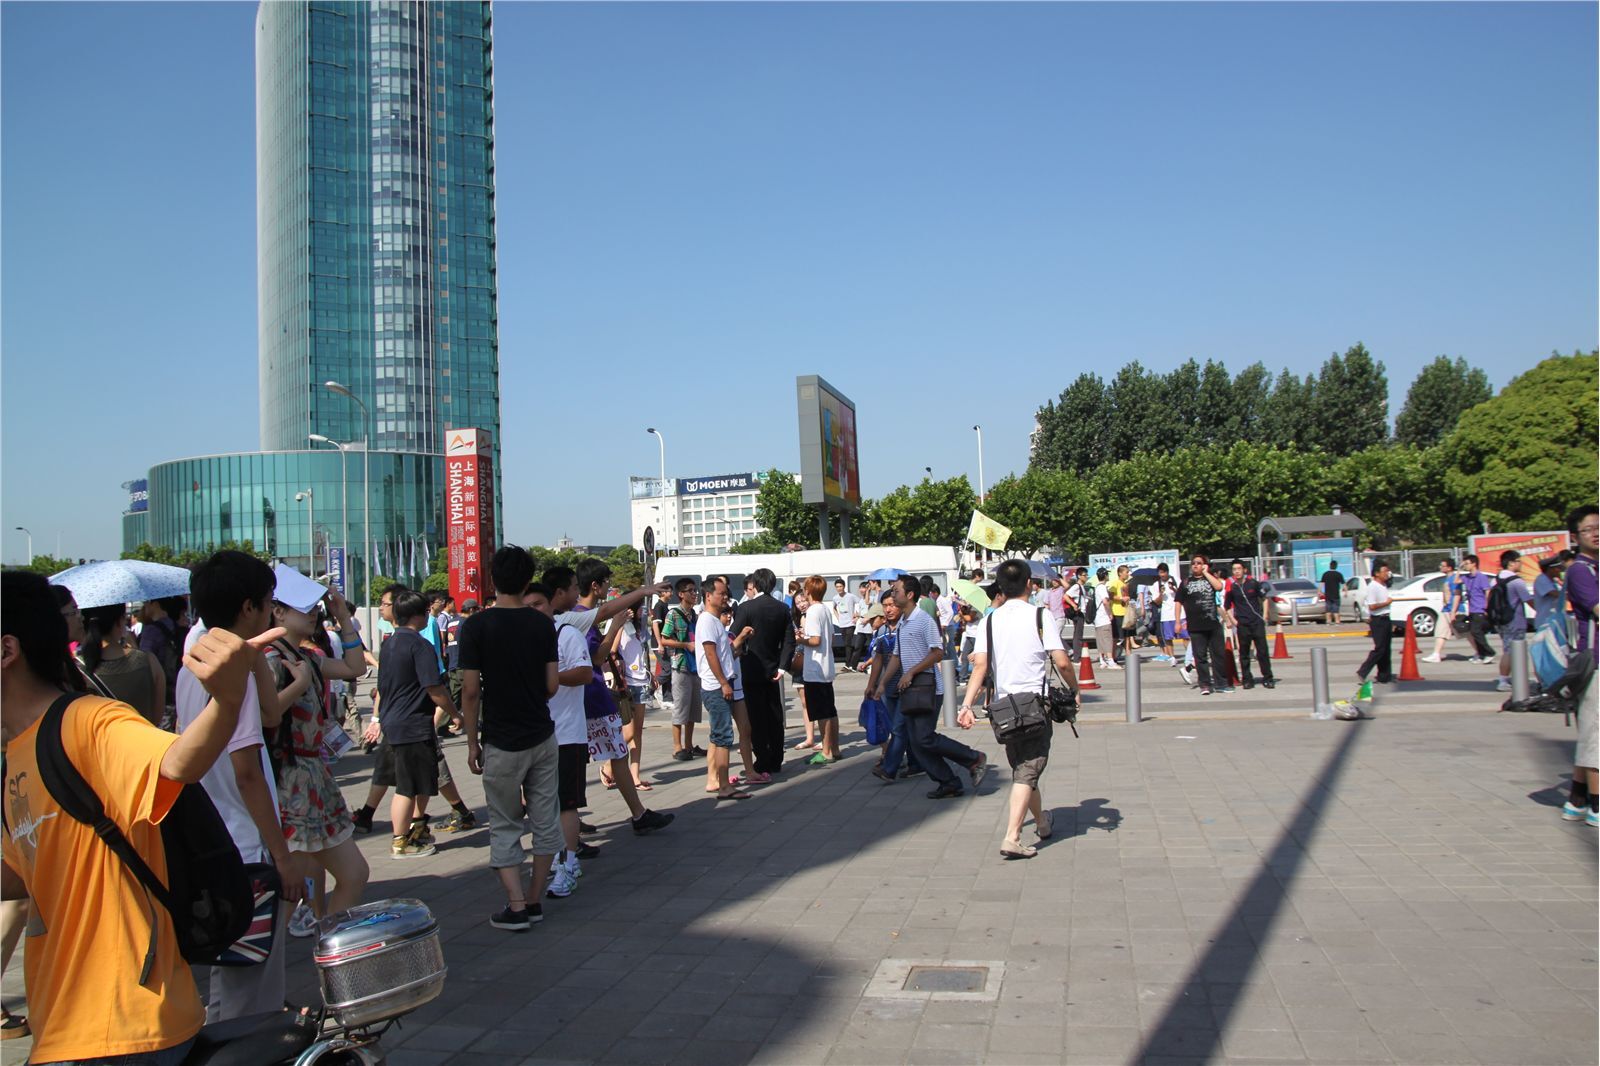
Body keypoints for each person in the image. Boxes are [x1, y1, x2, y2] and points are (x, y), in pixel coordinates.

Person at [2, 569, 280, 1063]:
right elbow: (16, 878)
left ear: (7, 651)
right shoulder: (16, 757)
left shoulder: (87, 722)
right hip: (64, 1022)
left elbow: (178, 762)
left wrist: (229, 698)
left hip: (123, 1022)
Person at [262, 566, 371, 933]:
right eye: (303, 607)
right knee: (289, 893)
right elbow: (264, 716)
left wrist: (343, 618)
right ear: (277, 612)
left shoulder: (304, 656)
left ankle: (328, 953)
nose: (313, 613)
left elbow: (355, 666)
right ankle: (268, 982)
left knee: (354, 873)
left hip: (314, 778)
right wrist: (300, 685)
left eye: (314, 607)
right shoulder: (270, 659)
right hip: (287, 781)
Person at [458, 547, 563, 930]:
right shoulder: (542, 625)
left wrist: (472, 742)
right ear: (526, 580)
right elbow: (552, 685)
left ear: (492, 579)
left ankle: (516, 904)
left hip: (500, 739)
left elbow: (470, 691)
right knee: (545, 819)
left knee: (505, 823)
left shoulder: (475, 627)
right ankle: (535, 899)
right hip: (542, 734)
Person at [959, 559, 1075, 858]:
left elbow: (981, 666)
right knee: (1027, 770)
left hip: (1003, 707)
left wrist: (967, 704)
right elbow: (1061, 661)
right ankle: (1012, 836)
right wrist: (1075, 690)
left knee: (1023, 767)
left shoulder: (990, 619)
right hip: (1035, 705)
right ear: (1029, 584)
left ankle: (1042, 822)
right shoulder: (1040, 615)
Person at [376, 589, 463, 858]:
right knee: (407, 787)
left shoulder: (389, 643)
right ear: (418, 615)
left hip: (394, 721)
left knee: (416, 781)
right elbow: (434, 688)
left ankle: (416, 829)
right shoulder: (418, 645)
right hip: (412, 723)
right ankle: (401, 841)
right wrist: (455, 713)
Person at [884, 574, 986, 799]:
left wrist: (912, 672)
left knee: (923, 738)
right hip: (910, 689)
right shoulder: (903, 622)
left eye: (896, 591)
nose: (893, 595)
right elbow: (897, 656)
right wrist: (882, 684)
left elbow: (938, 652)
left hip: (928, 689)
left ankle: (973, 758)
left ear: (909, 595)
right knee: (918, 742)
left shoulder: (923, 620)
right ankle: (948, 782)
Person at [733, 567, 794, 778]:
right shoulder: (781, 608)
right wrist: (783, 666)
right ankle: (777, 758)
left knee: (756, 717)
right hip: (773, 669)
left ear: (755, 585)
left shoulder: (747, 608)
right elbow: (789, 640)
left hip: (750, 667)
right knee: (775, 715)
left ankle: (763, 760)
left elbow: (734, 635)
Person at [1562, 506, 1598, 827]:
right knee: (1596, 736)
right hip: (1595, 663)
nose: (1596, 532)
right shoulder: (1580, 570)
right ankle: (1596, 807)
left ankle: (1576, 798)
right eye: (1588, 529)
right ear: (1576, 537)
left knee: (1591, 732)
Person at [78, 603, 166, 724]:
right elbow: (157, 717)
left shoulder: (78, 669)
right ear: (120, 621)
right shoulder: (149, 661)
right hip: (147, 740)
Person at [660, 578, 704, 761]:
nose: (695, 594)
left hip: (695, 666)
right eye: (691, 591)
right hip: (680, 665)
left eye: (695, 591)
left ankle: (688, 745)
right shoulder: (674, 614)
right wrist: (685, 644)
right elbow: (664, 639)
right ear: (681, 594)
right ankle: (677, 747)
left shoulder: (693, 614)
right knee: (680, 707)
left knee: (693, 708)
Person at [798, 575, 840, 765]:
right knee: (830, 710)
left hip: (815, 668)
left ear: (809, 590)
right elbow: (829, 638)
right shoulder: (825, 609)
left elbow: (815, 640)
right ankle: (835, 748)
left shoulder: (813, 611)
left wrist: (800, 640)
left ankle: (826, 751)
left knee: (822, 712)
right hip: (827, 665)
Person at [1175, 555, 1230, 695]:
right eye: (1193, 563)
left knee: (1218, 655)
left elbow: (1219, 586)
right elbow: (1178, 602)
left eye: (1199, 563)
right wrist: (1177, 622)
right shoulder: (1186, 582)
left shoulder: (1210, 579)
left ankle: (1221, 683)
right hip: (1195, 625)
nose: (1195, 565)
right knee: (1200, 657)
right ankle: (1204, 684)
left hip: (1212, 624)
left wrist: (1206, 573)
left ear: (1205, 565)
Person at [1226, 559, 1276, 689]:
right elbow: (1226, 606)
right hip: (1242, 624)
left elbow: (1264, 599)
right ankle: (1247, 679)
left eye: (1239, 569)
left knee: (1262, 652)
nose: (1236, 571)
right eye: (1234, 569)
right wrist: (1233, 620)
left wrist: (1264, 616)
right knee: (1244, 653)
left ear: (1244, 570)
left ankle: (1268, 678)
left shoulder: (1253, 583)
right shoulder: (1233, 588)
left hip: (1256, 622)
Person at [138, 595, 187, 726]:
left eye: (147, 602)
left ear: (156, 604)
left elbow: (144, 661)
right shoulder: (176, 626)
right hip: (178, 691)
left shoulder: (151, 630)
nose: (145, 606)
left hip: (160, 695)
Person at [1493, 550, 1534, 693]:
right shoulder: (1516, 581)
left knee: (1508, 649)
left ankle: (1511, 678)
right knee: (1512, 651)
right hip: (1515, 620)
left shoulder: (1496, 579)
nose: (1521, 564)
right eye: (1519, 561)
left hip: (1501, 621)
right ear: (1511, 563)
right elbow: (1528, 600)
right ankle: (1503, 680)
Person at [1356, 562, 1396, 686]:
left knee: (1386, 649)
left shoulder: (1383, 585)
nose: (1387, 573)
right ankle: (1363, 671)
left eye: (1387, 571)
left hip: (1386, 618)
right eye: (1384, 571)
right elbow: (1372, 606)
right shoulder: (1373, 586)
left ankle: (1384, 676)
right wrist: (1387, 603)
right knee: (1380, 649)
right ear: (1377, 573)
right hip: (1378, 620)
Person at [1422, 559, 1462, 663]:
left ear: (1449, 568)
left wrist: (1453, 611)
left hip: (1453, 610)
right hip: (1446, 610)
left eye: (1442, 565)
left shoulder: (1453, 579)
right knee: (1441, 632)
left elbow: (1457, 595)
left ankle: (1480, 652)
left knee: (1466, 633)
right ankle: (1436, 654)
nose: (1440, 567)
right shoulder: (1448, 579)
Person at [1459, 555, 1498, 663]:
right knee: (1474, 632)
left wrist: (1486, 607)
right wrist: (1459, 568)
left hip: (1480, 608)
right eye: (1465, 564)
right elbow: (1455, 581)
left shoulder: (1481, 577)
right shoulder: (1467, 577)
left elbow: (1487, 591)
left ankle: (1489, 652)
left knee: (1476, 631)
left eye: (1467, 563)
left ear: (1474, 564)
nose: (1466, 566)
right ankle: (1481, 654)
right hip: (1472, 609)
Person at [1092, 568, 1119, 671]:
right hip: (1104, 617)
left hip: (1097, 619)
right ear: (1105, 575)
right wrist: (1110, 613)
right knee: (1107, 639)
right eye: (1107, 574)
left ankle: (1102, 660)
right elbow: (1105, 602)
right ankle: (1110, 660)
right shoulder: (1103, 588)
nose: (1108, 576)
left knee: (1100, 639)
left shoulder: (1097, 587)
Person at [1152, 563, 1179, 664]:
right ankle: (1172, 657)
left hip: (1179, 613)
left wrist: (1174, 589)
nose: (1162, 574)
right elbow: (1157, 602)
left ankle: (1190, 658)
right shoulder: (1156, 584)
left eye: (1164, 572)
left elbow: (1182, 595)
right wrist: (1161, 594)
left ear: (1168, 572)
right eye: (1160, 573)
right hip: (1166, 614)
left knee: (1185, 636)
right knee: (1168, 637)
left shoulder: (1175, 580)